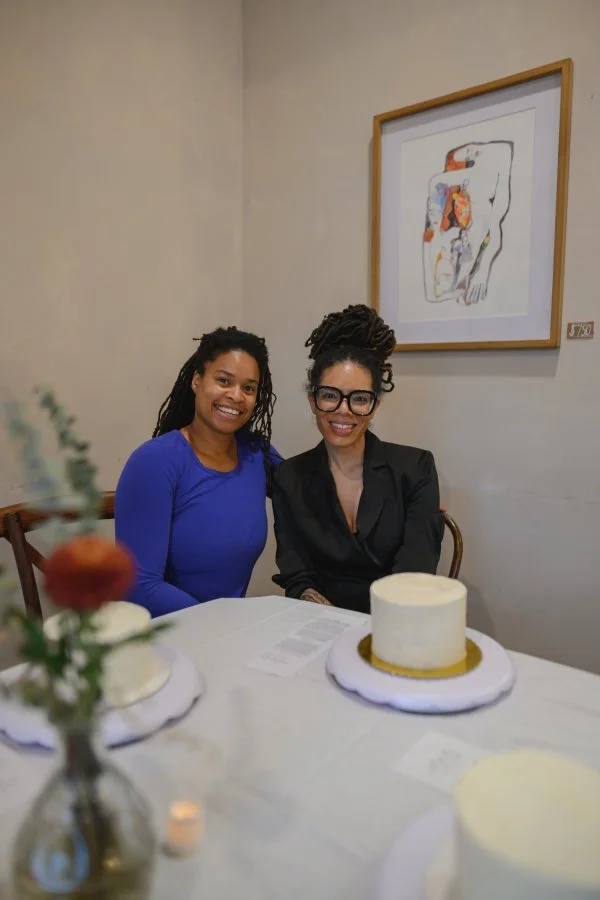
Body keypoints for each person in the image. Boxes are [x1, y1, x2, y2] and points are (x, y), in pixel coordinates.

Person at [271, 304, 443, 614]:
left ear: (375, 406)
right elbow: (297, 576)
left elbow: (415, 573)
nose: (343, 410)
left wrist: (370, 628)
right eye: (329, 395)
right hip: (321, 623)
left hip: (396, 621)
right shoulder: (289, 476)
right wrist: (335, 625)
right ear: (312, 400)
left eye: (359, 399)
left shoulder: (415, 469)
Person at [115, 327, 282, 617]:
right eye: (223, 381)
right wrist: (223, 625)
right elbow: (139, 585)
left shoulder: (257, 454)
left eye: (248, 388)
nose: (236, 395)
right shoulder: (154, 462)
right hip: (166, 634)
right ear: (196, 380)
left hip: (228, 632)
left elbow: (311, 492)